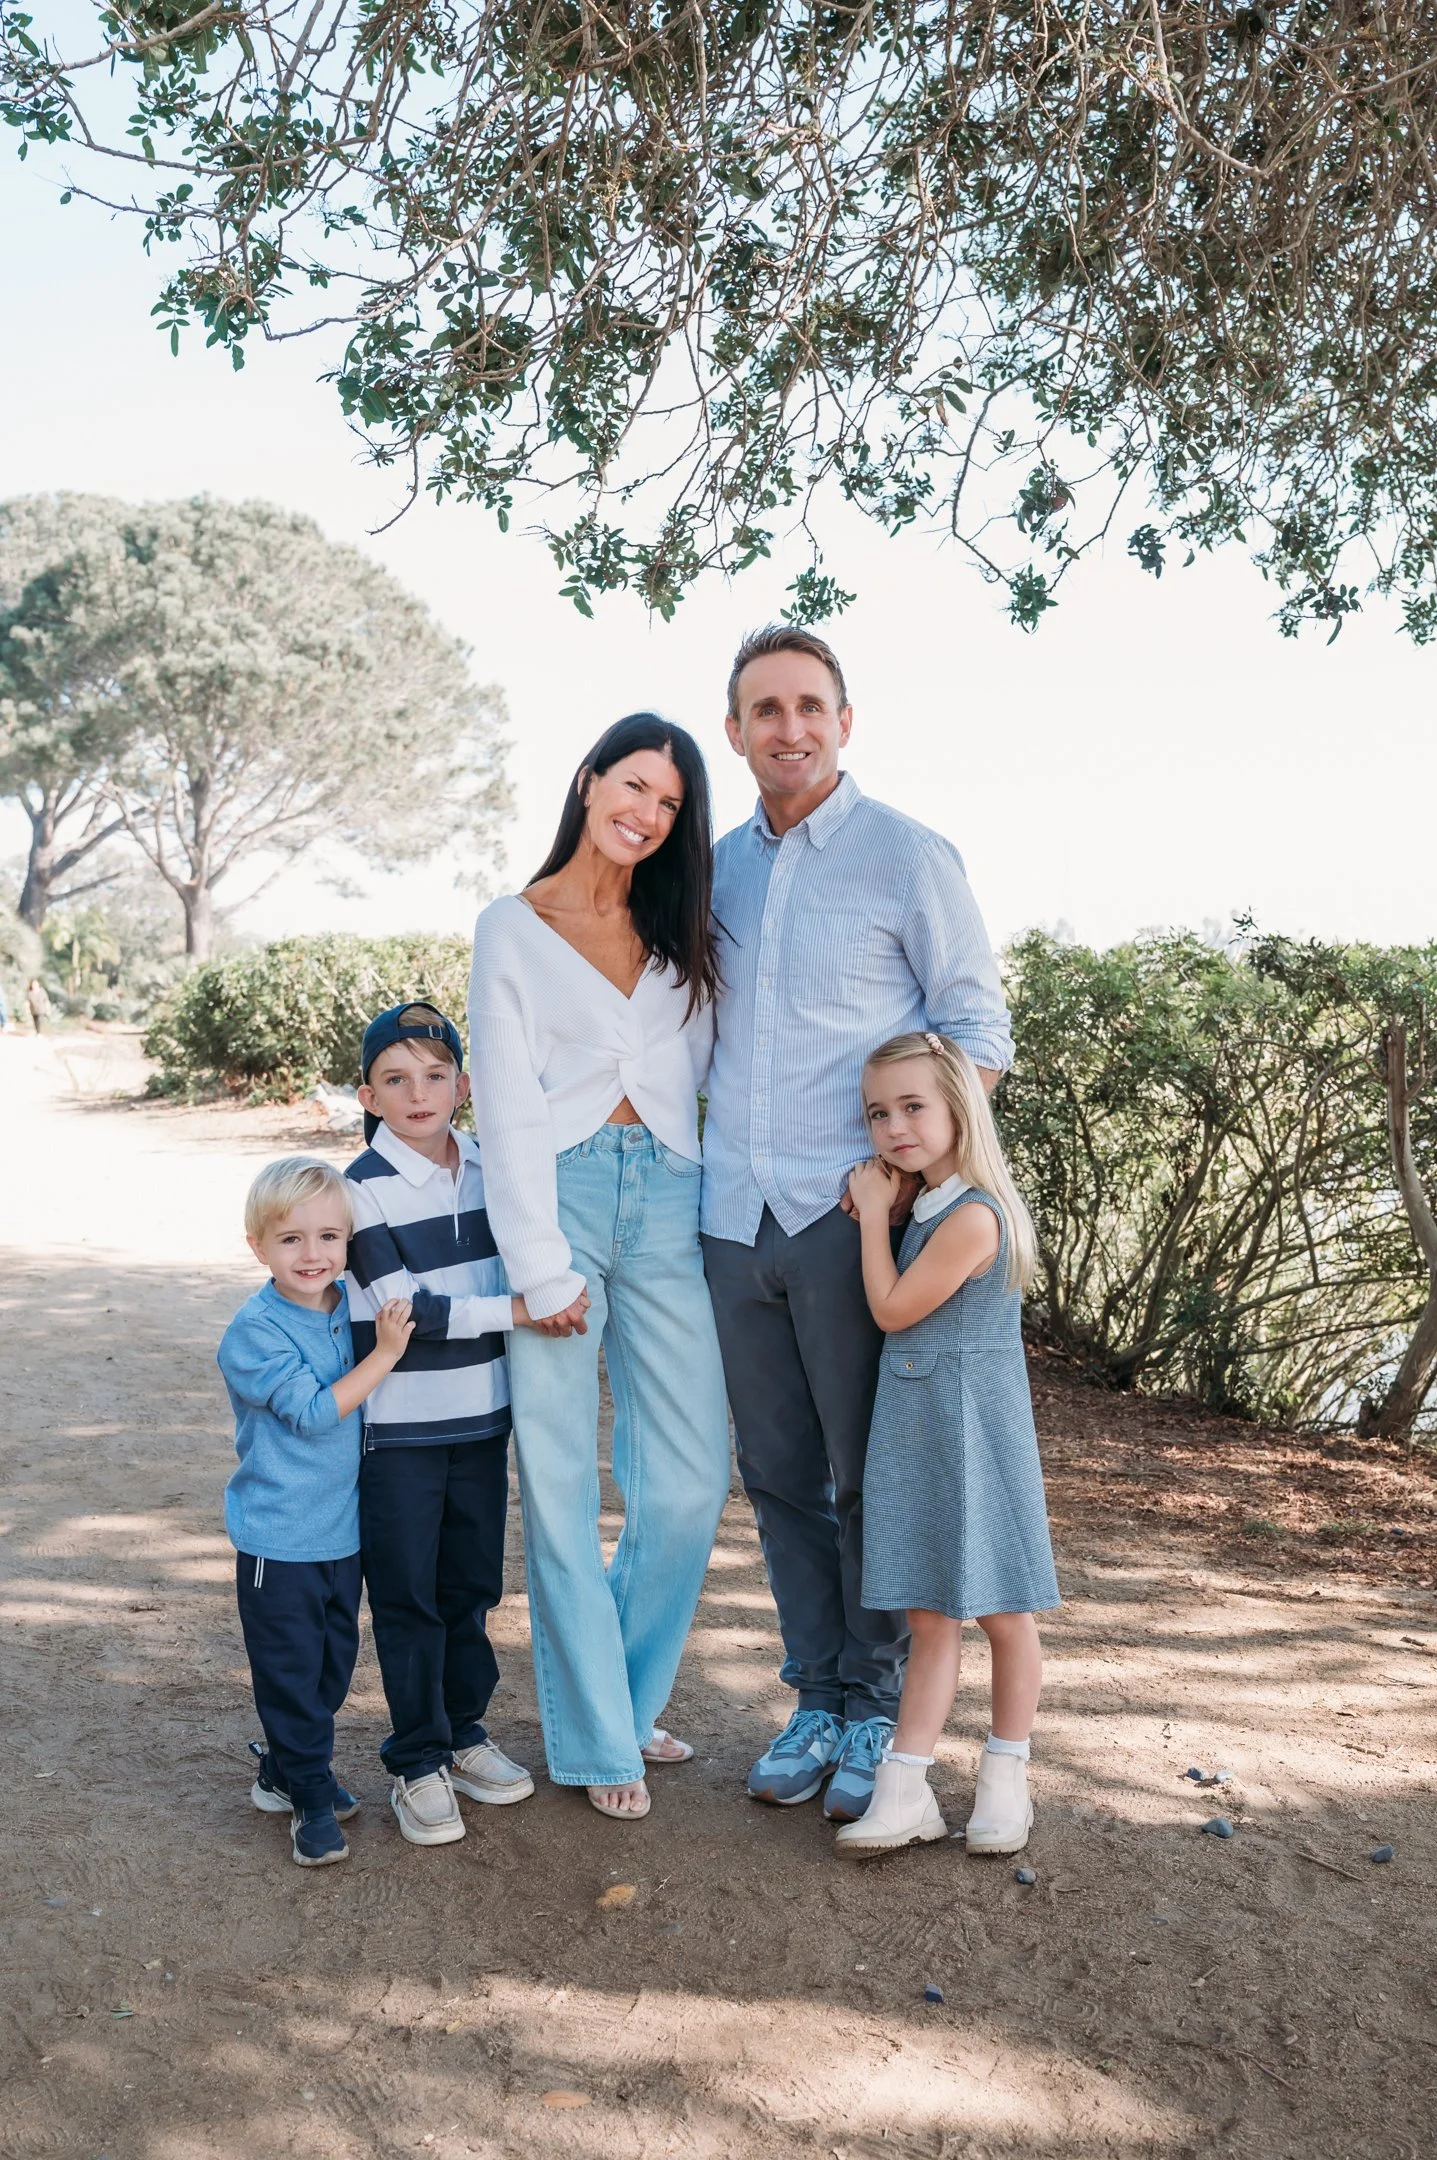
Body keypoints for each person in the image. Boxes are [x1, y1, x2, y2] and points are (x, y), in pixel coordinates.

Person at [701, 625, 1015, 1825]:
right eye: (764, 709)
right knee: (776, 1473)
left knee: (863, 1479)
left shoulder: (907, 857)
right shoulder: (712, 869)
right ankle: (817, 1697)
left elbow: (975, 1033)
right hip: (732, 1216)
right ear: (735, 731)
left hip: (853, 1222)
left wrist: (900, 1177)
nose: (789, 727)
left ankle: (878, 1702)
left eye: (809, 706)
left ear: (845, 720)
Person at [468, 714, 731, 1822]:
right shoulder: (513, 928)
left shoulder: (682, 929)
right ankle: (598, 1736)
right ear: (587, 782)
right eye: (634, 786)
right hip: (560, 1202)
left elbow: (699, 1070)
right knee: (566, 1487)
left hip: (670, 1193)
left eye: (669, 804)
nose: (648, 813)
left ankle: (619, 1698)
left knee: (687, 1480)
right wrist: (536, 1262)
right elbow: (508, 1100)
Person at [834, 1031, 1058, 1856]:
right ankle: (905, 1792)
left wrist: (869, 1220)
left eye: (913, 1106)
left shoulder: (972, 1214)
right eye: (877, 1113)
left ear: (960, 1106)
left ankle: (1006, 1780)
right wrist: (889, 1207)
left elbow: (893, 1309)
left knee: (1002, 1610)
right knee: (930, 1615)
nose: (893, 1127)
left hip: (974, 1423)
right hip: (919, 1422)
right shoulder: (928, 1205)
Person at [345, 1002, 538, 1846]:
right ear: (369, 1093)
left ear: (463, 1084)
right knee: (407, 1596)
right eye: (396, 1078)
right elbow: (402, 1310)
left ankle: (463, 1732)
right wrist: (521, 1311)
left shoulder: (498, 1167)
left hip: (481, 1418)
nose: (417, 1093)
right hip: (398, 1433)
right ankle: (414, 1758)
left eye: (434, 1074)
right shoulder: (357, 1190)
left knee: (470, 1588)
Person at [217, 1156, 415, 1867]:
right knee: (293, 1674)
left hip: (341, 1532)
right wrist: (388, 1353)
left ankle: (281, 1764)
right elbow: (310, 1413)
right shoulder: (254, 1333)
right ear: (258, 1247)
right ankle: (305, 1794)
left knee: (333, 1668)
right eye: (292, 1239)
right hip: (278, 1537)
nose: (313, 1254)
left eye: (329, 1237)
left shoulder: (347, 1308)